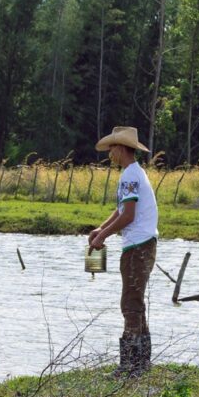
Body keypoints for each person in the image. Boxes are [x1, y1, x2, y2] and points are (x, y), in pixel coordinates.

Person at [88, 126, 159, 376]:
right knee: (135, 303)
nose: (110, 154)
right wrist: (101, 229)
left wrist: (102, 237)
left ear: (120, 148)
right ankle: (141, 364)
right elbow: (121, 211)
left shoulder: (130, 176)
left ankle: (129, 366)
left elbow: (128, 216)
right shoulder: (134, 172)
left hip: (137, 247)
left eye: (112, 149)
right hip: (142, 244)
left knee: (130, 303)